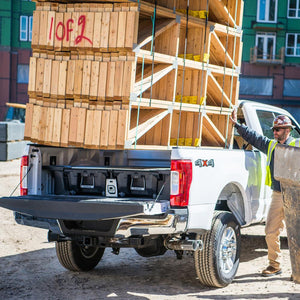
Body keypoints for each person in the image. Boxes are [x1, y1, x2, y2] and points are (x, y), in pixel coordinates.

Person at [230, 111, 300, 277]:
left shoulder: (297, 144)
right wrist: (238, 125)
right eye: (274, 129)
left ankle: (297, 270)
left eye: (278, 129)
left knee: (296, 233)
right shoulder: (272, 145)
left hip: (296, 194)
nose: (274, 132)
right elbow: (254, 138)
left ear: (288, 130)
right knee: (271, 231)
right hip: (277, 194)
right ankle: (274, 265)